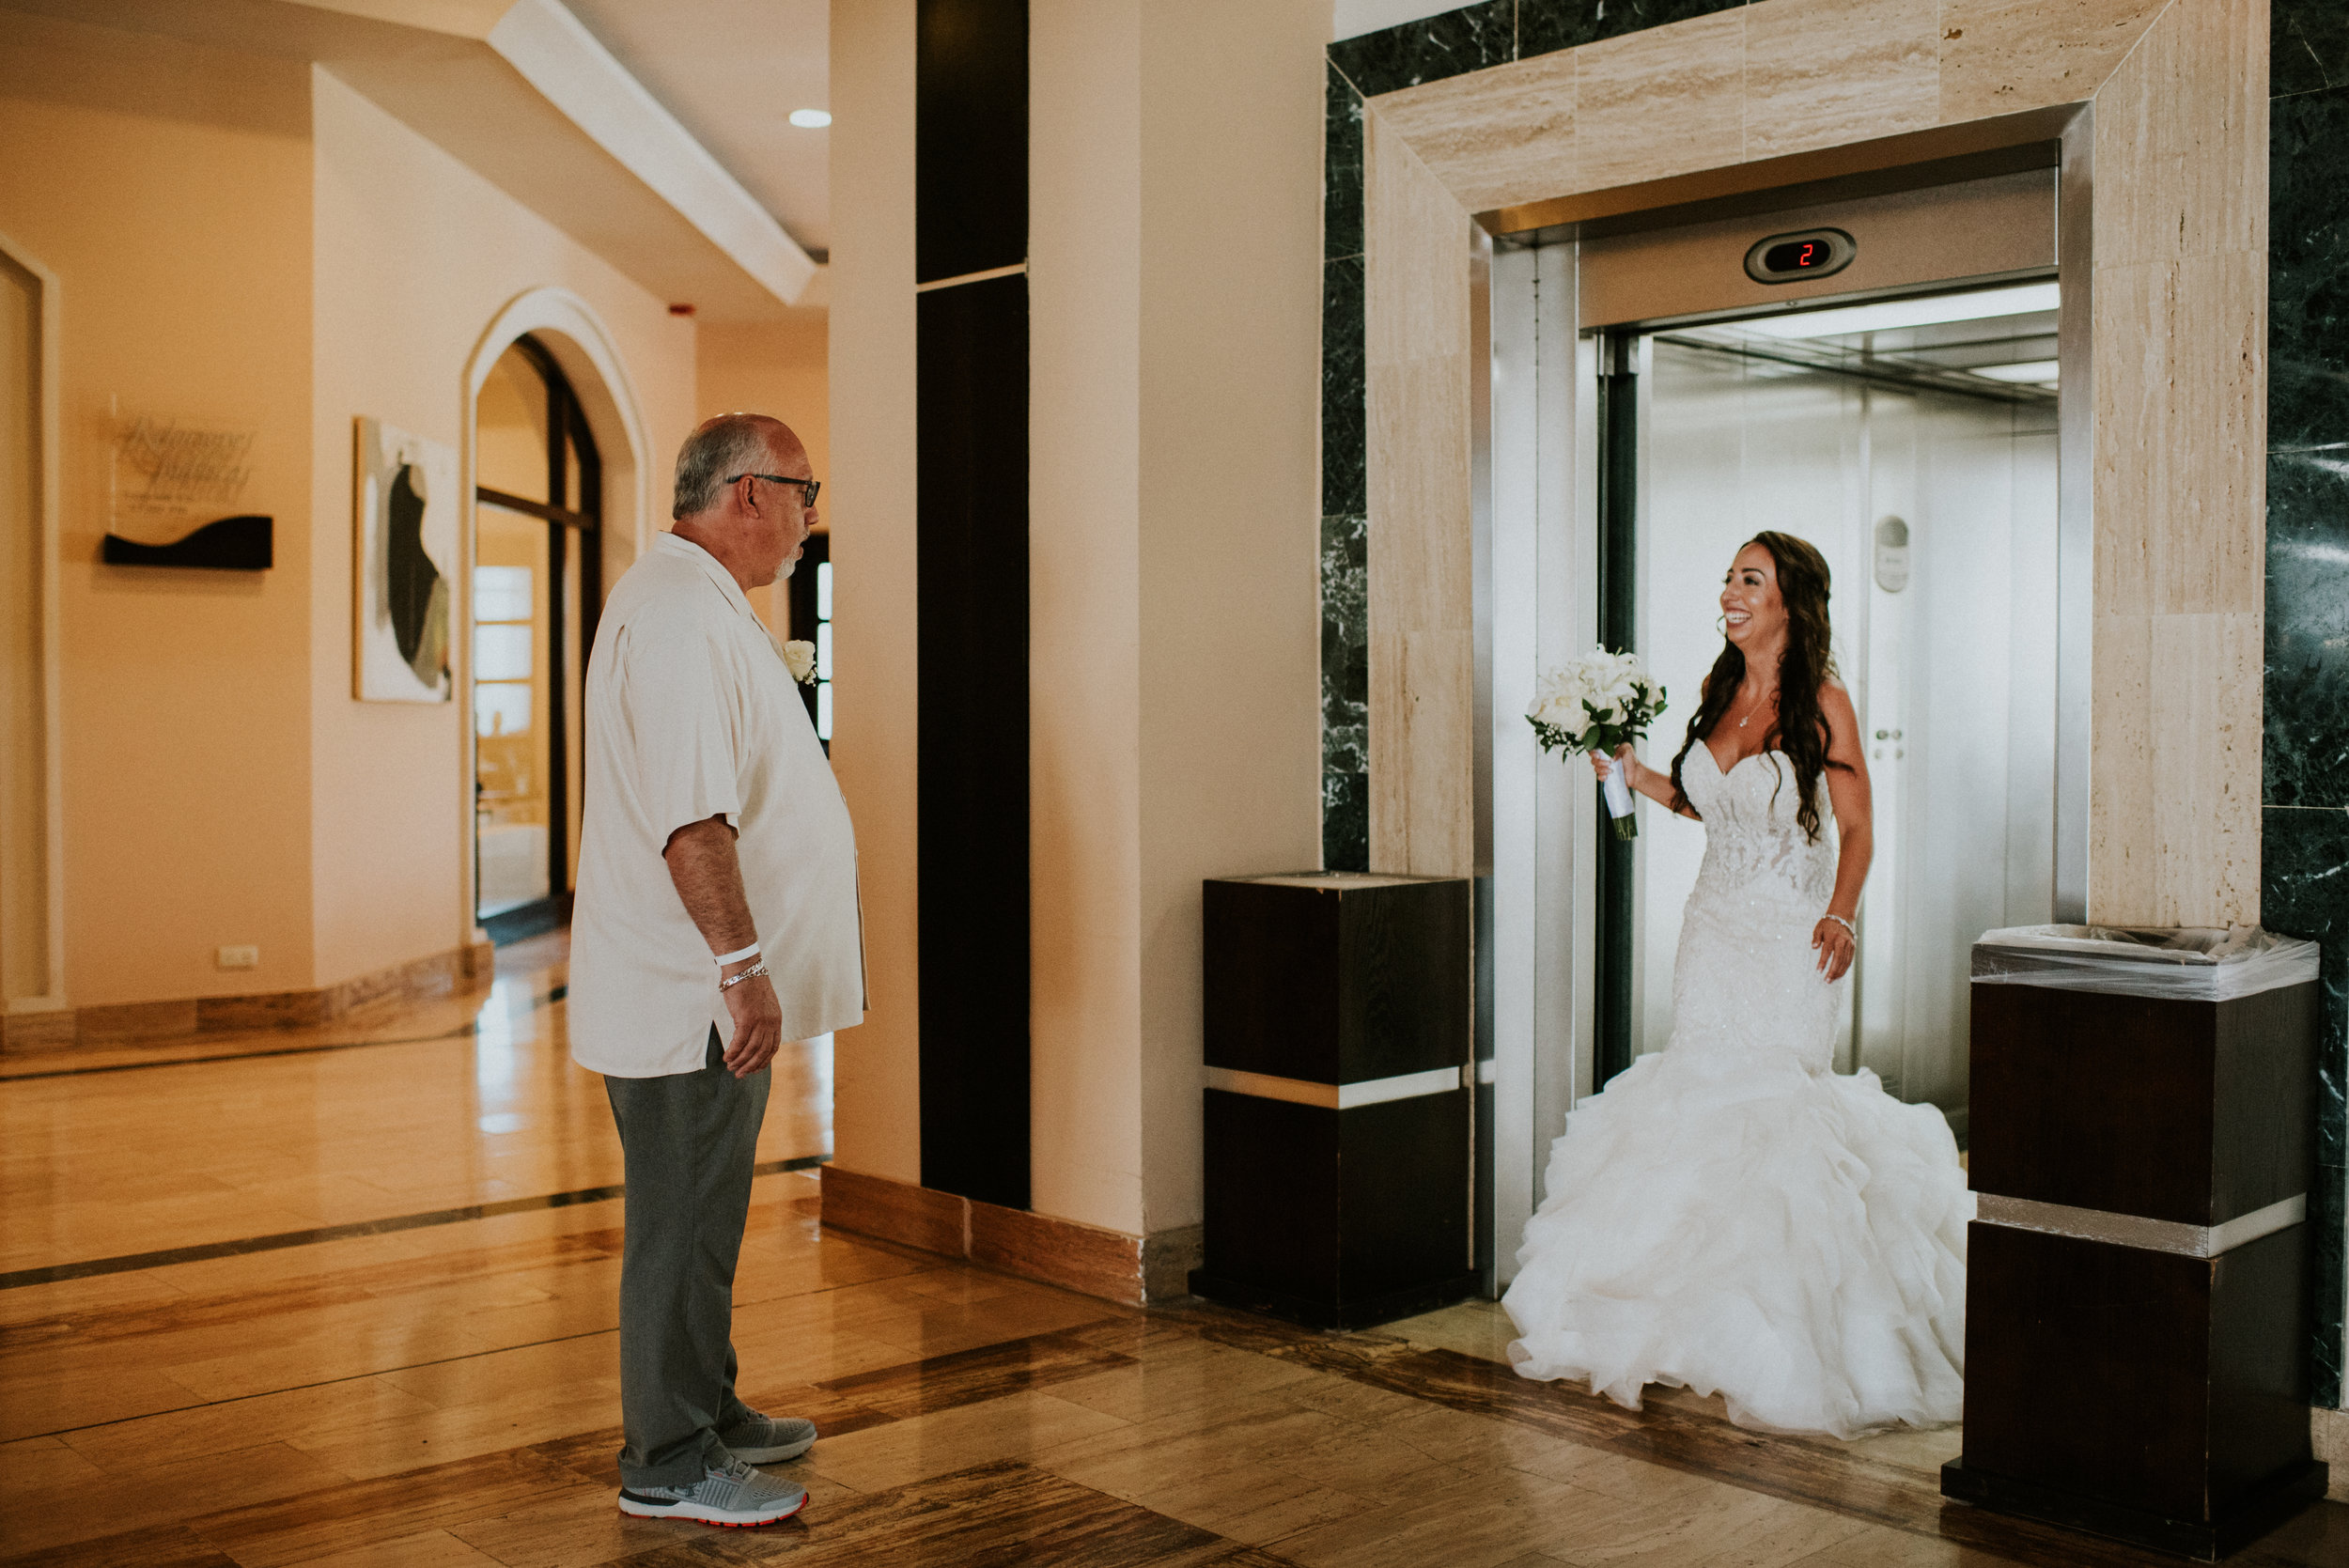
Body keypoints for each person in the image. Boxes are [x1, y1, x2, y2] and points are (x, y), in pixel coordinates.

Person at [1501, 531, 1972, 1439]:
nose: (1730, 591)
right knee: (1698, 1116)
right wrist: (1628, 772)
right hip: (1713, 934)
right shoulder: (1721, 691)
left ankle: (1799, 1348)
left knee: (1778, 1122)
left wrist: (1841, 913)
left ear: (1789, 602)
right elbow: (1703, 800)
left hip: (1792, 939)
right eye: (1727, 577)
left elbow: (1858, 826)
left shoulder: (1823, 700)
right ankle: (1696, 1336)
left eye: (1748, 580)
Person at [568, 412, 864, 1526]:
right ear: (747, 491)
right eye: (803, 489)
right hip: (688, 992)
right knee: (680, 1216)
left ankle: (709, 1405)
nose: (808, 514)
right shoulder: (684, 616)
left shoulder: (694, 602)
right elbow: (694, 820)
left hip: (700, 989)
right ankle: (669, 1458)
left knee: (707, 1211)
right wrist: (742, 968)